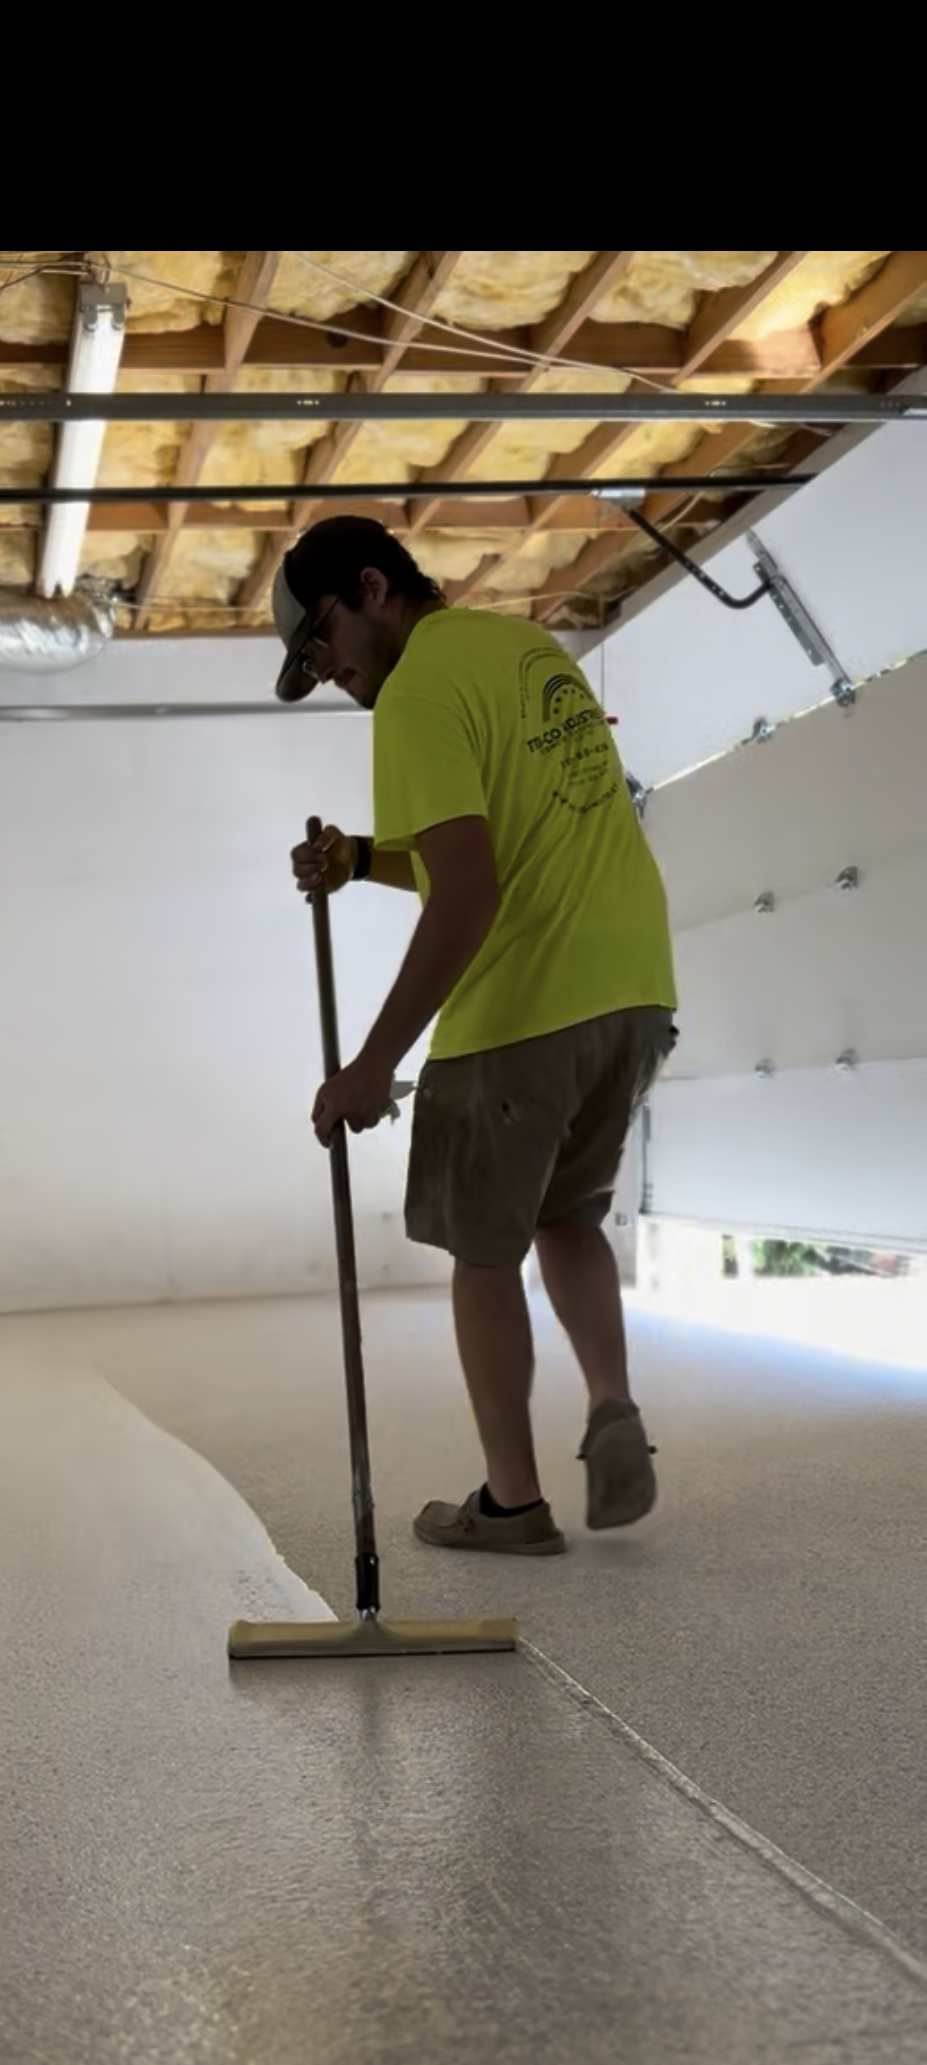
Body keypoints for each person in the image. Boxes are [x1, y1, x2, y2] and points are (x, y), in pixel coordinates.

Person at [276, 514, 679, 1556]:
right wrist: (364, 856)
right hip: (631, 991)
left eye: (319, 642)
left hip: (521, 1009)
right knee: (567, 1217)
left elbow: (467, 897)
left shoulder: (411, 696)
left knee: (482, 1250)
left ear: (370, 587)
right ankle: (610, 1402)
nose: (324, 673)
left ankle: (512, 1503)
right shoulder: (523, 648)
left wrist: (374, 1064)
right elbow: (491, 848)